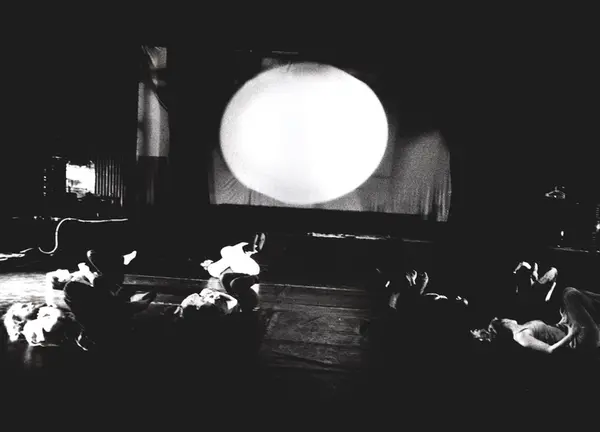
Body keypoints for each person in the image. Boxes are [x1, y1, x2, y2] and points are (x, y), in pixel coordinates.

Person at [59, 249, 157, 351]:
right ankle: (118, 263)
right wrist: (146, 300)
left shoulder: (96, 322)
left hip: (78, 292)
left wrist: (144, 301)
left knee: (106, 288)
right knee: (110, 282)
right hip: (88, 295)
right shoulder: (106, 323)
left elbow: (123, 307)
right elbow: (125, 306)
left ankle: (114, 265)